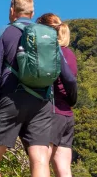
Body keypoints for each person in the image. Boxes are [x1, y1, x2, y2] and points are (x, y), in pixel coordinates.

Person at [0, 0, 77, 177]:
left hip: (11, 99)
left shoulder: (3, 33)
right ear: (32, 13)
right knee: (40, 159)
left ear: (11, 11)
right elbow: (66, 74)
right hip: (42, 103)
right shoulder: (48, 35)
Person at [36, 14, 78, 177]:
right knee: (64, 169)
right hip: (67, 116)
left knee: (41, 163)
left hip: (52, 113)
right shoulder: (70, 54)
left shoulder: (52, 52)